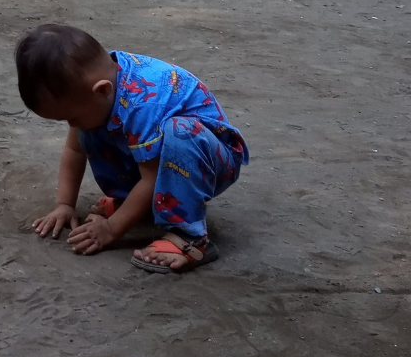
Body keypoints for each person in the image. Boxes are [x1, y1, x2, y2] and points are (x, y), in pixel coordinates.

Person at [14, 23, 248, 272]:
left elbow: (151, 177)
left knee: (179, 131)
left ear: (102, 90)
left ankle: (191, 237)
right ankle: (142, 204)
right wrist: (64, 205)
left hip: (211, 162)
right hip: (159, 160)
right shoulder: (95, 87)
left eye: (71, 118)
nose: (71, 125)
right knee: (89, 130)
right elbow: (74, 150)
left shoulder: (142, 103)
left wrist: (110, 229)